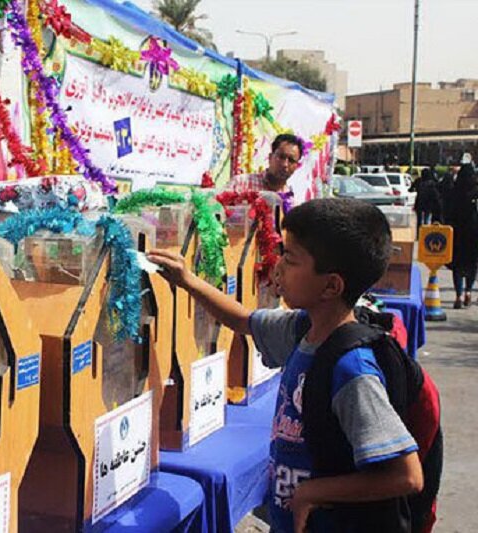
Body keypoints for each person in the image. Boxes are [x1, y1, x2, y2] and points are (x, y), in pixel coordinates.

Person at [147, 198, 423, 533]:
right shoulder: (302, 330)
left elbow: (406, 475)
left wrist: (311, 492)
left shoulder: (352, 369)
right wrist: (186, 280)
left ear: (331, 285)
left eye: (290, 259)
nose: (277, 267)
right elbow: (243, 320)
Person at [228, 133, 305, 210]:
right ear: (270, 157)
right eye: (281, 157)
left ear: (296, 166)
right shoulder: (241, 183)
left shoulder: (293, 203)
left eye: (291, 160)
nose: (285, 164)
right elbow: (218, 212)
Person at [450, 164, 478, 308]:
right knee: (472, 265)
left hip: (457, 233)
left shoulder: (455, 191)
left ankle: (458, 295)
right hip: (474, 233)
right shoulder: (475, 191)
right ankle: (468, 291)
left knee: (457, 266)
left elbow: (448, 210)